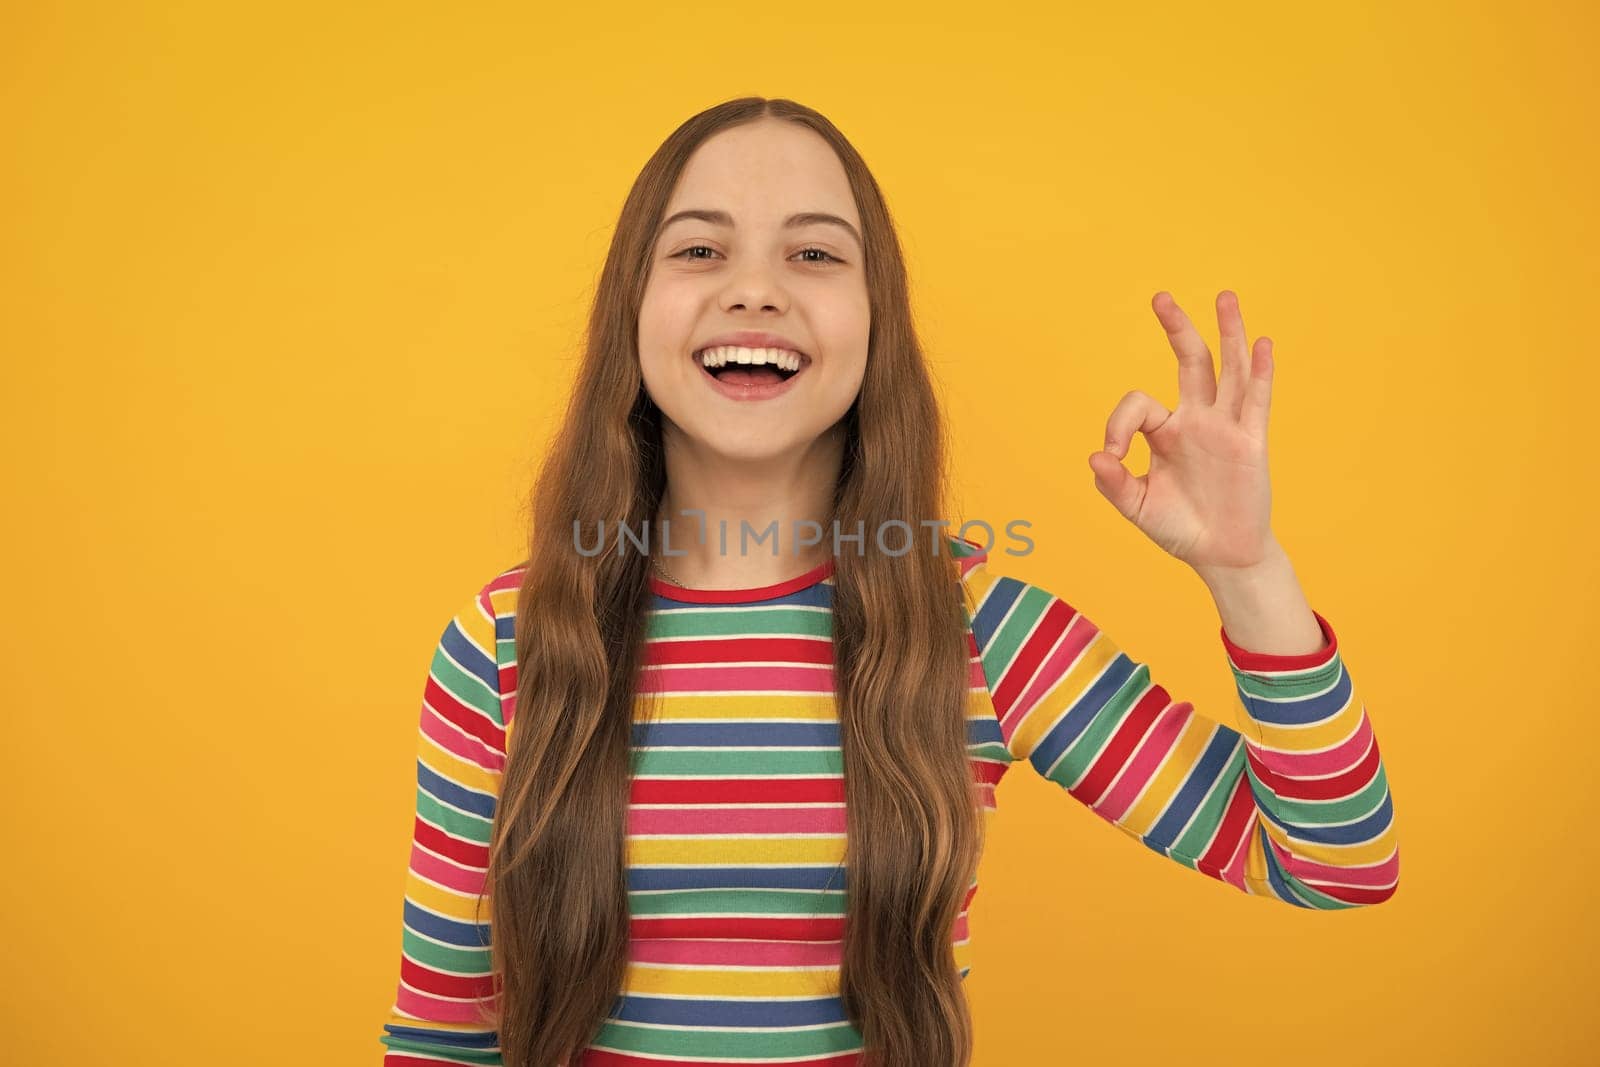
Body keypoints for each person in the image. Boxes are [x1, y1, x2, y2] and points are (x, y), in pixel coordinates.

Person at [377, 96, 1400, 1067]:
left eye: (814, 253)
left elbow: (1333, 862)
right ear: (630, 311)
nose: (754, 289)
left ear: (875, 321)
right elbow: (441, 1036)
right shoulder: (506, 640)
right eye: (698, 249)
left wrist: (1245, 567)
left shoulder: (982, 635)